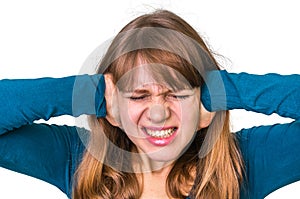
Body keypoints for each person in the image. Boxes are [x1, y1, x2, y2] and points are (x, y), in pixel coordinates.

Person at [0, 9, 299, 199]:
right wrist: (89, 93)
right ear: (113, 107)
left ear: (205, 105)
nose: (158, 112)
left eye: (177, 93)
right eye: (139, 95)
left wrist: (223, 90)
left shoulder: (242, 163)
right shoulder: (78, 159)